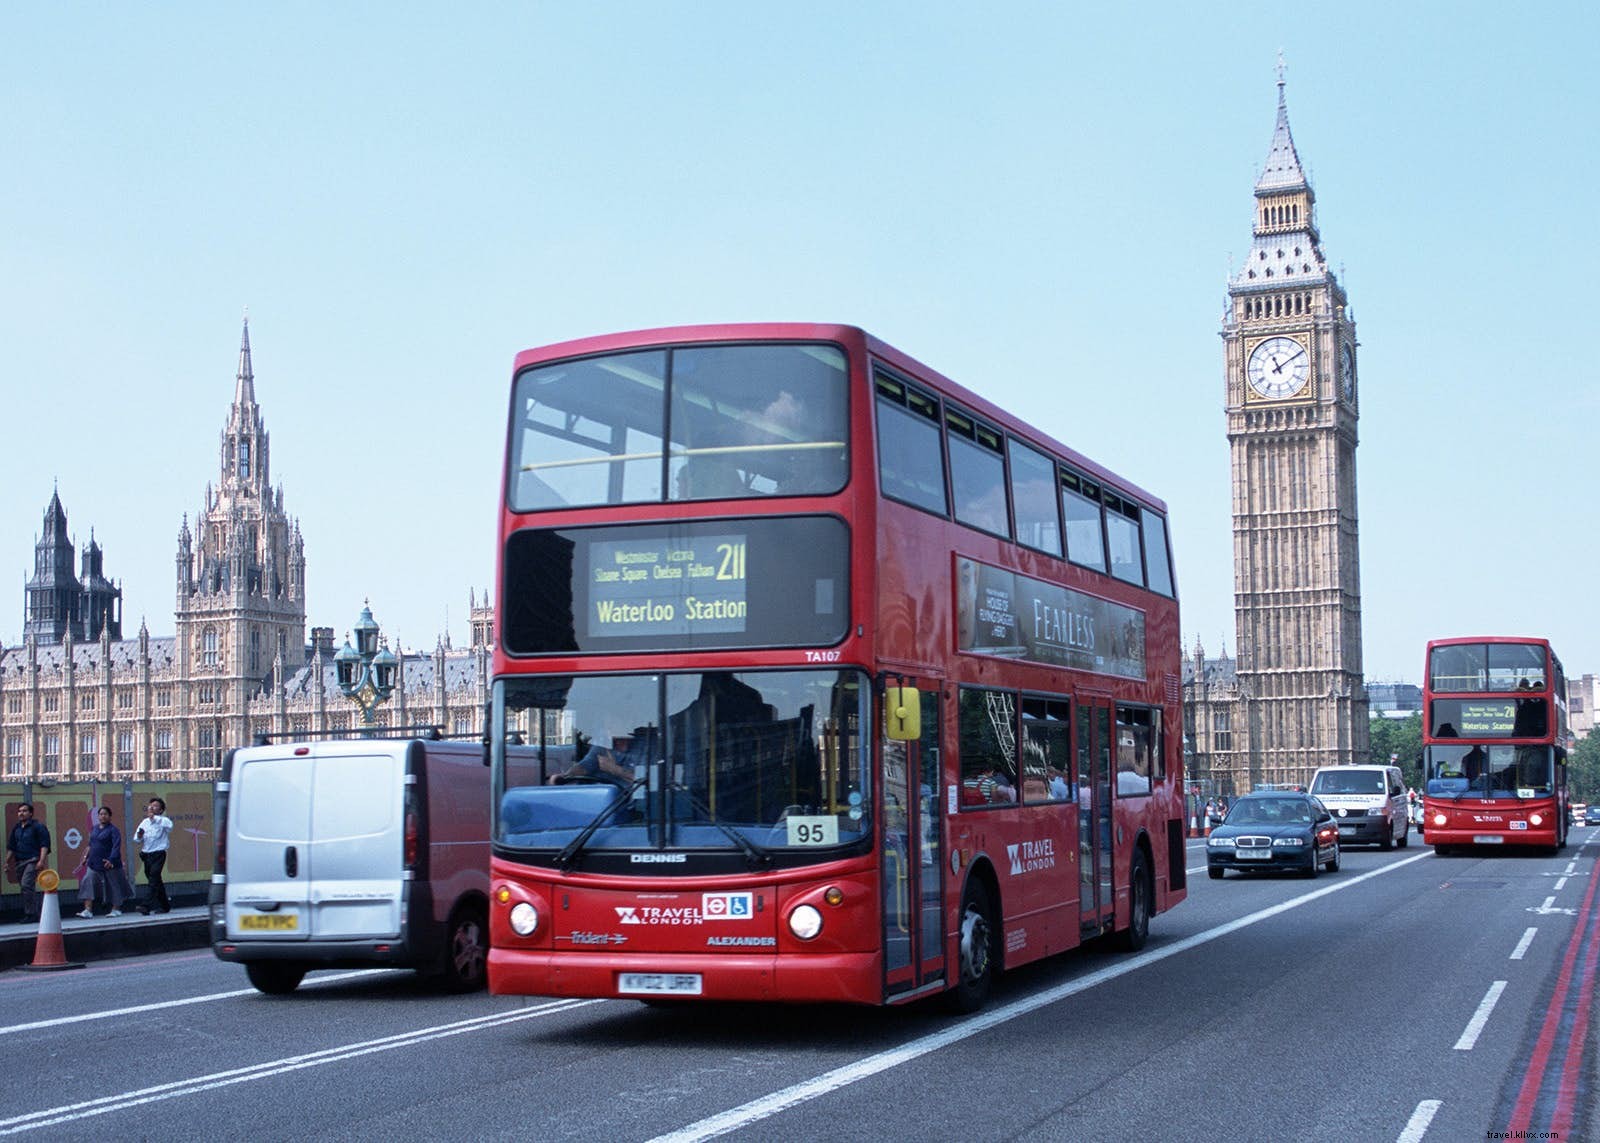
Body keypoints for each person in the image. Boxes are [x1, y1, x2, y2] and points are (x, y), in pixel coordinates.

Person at [77, 806, 132, 919]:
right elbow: (90, 845)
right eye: (101, 814)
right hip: (93, 863)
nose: (103, 816)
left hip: (110, 863)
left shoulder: (113, 830)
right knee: (87, 882)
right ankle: (88, 910)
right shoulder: (95, 829)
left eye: (105, 814)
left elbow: (116, 847)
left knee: (114, 885)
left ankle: (116, 909)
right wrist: (85, 857)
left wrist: (111, 860)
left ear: (110, 816)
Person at [5, 803, 52, 924]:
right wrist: (7, 862)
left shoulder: (38, 827)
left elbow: (44, 844)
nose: (21, 813)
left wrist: (41, 861)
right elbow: (11, 847)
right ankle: (32, 912)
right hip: (19, 861)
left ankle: (31, 913)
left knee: (26, 885)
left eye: (24, 811)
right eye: (19, 811)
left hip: (32, 860)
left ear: (31, 813)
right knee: (26, 888)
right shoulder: (17, 828)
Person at [132, 796, 174, 915]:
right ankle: (165, 905)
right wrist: (140, 835)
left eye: (155, 806)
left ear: (160, 810)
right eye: (151, 805)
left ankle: (145, 906)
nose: (152, 807)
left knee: (153, 879)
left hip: (159, 854)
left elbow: (170, 826)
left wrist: (155, 818)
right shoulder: (145, 822)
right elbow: (136, 839)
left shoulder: (163, 820)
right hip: (146, 855)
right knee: (156, 881)